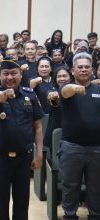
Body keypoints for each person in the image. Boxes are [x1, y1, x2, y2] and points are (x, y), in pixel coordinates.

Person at [0, 57, 44, 220]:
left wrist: (39, 154)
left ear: (21, 75)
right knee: (0, 205)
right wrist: (5, 94)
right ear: (0, 76)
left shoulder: (30, 96)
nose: (10, 77)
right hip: (0, 160)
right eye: (5, 73)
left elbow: (38, 126)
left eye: (14, 73)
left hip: (23, 159)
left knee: (21, 206)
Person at [59, 52, 100, 220]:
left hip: (96, 148)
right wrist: (75, 88)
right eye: (80, 67)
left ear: (92, 70)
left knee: (96, 188)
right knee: (70, 187)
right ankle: (69, 216)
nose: (83, 70)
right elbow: (65, 91)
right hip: (72, 147)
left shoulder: (98, 90)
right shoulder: (66, 89)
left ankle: (95, 216)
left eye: (87, 67)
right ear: (73, 70)